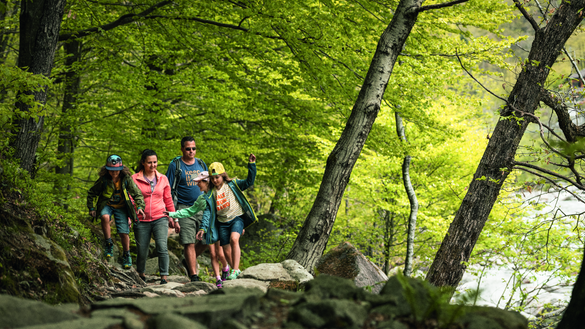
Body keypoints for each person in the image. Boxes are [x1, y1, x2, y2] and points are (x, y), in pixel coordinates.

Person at [197, 154, 257, 280]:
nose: (215, 180)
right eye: (212, 178)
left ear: (223, 175)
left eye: (217, 177)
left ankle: (234, 270)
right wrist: (202, 228)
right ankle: (236, 270)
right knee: (225, 250)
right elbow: (207, 211)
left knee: (234, 239)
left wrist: (251, 165)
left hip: (236, 218)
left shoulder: (233, 184)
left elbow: (249, 181)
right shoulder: (210, 193)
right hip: (222, 222)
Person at [165, 171, 230, 288]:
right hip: (208, 229)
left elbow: (229, 209)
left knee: (221, 253)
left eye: (199, 182)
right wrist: (172, 214)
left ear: (207, 182)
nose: (197, 185)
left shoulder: (218, 194)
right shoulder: (201, 199)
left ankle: (228, 269)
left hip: (220, 227)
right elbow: (190, 211)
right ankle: (218, 279)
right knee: (212, 253)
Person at [165, 136, 217, 282]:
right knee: (189, 241)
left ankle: (187, 261)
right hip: (184, 207)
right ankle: (193, 275)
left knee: (208, 238)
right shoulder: (175, 165)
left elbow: (209, 184)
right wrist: (171, 215)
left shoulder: (201, 164)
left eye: (193, 148)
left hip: (202, 206)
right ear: (182, 148)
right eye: (188, 149)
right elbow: (168, 189)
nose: (191, 151)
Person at [87, 155, 145, 269]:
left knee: (124, 233)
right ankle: (109, 243)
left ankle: (126, 254)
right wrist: (91, 208)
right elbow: (91, 193)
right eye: (112, 171)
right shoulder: (103, 180)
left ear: (121, 169)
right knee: (104, 217)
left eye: (117, 170)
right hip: (106, 205)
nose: (114, 173)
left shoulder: (126, 179)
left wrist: (140, 206)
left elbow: (137, 193)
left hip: (121, 207)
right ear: (107, 170)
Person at [132, 149, 177, 284]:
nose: (153, 165)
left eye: (155, 162)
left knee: (162, 247)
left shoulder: (163, 179)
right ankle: (141, 274)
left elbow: (168, 199)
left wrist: (174, 217)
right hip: (141, 219)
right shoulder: (134, 179)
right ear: (143, 163)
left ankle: (164, 276)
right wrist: (132, 214)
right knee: (142, 249)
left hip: (160, 217)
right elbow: (131, 198)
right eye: (149, 163)